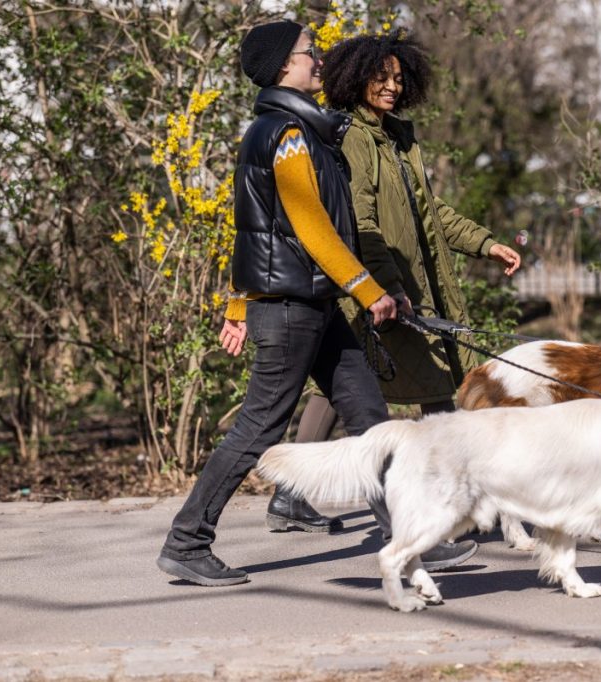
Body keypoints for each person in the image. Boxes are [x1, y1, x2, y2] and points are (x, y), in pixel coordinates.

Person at [157, 21, 473, 587]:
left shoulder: (290, 130)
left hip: (313, 305)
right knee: (259, 426)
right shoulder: (287, 135)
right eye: (311, 52)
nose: (319, 59)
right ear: (284, 65)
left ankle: (408, 539)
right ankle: (187, 541)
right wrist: (370, 290)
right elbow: (311, 229)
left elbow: (253, 230)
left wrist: (236, 304)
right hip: (291, 309)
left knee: (369, 419)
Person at [291, 29, 521, 466]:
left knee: (347, 384)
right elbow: (362, 224)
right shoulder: (355, 137)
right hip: (379, 287)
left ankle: (291, 494)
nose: (392, 86)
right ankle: (446, 491)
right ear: (356, 78)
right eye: (381, 76)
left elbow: (428, 213)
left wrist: (486, 244)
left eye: (398, 78)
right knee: (418, 383)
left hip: (405, 285)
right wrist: (389, 286)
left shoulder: (396, 139)